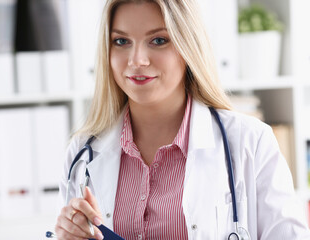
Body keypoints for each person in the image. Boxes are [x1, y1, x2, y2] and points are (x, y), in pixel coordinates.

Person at [54, 0, 310, 239]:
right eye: (121, 41)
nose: (137, 60)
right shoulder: (82, 153)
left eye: (158, 40)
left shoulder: (250, 141)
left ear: (188, 47)